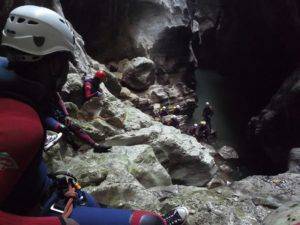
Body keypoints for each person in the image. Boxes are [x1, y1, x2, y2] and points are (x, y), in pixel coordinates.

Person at [0, 5, 189, 225]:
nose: (65, 70)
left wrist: (62, 127)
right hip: (35, 211)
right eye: (64, 62)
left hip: (40, 190)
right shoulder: (20, 132)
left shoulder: (15, 85)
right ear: (53, 64)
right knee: (148, 221)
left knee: (96, 206)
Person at [43, 92, 111, 153]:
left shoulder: (51, 88)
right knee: (63, 128)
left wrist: (66, 115)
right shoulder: (39, 88)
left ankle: (96, 146)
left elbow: (59, 100)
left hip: (57, 114)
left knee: (74, 126)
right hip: (46, 116)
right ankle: (74, 146)